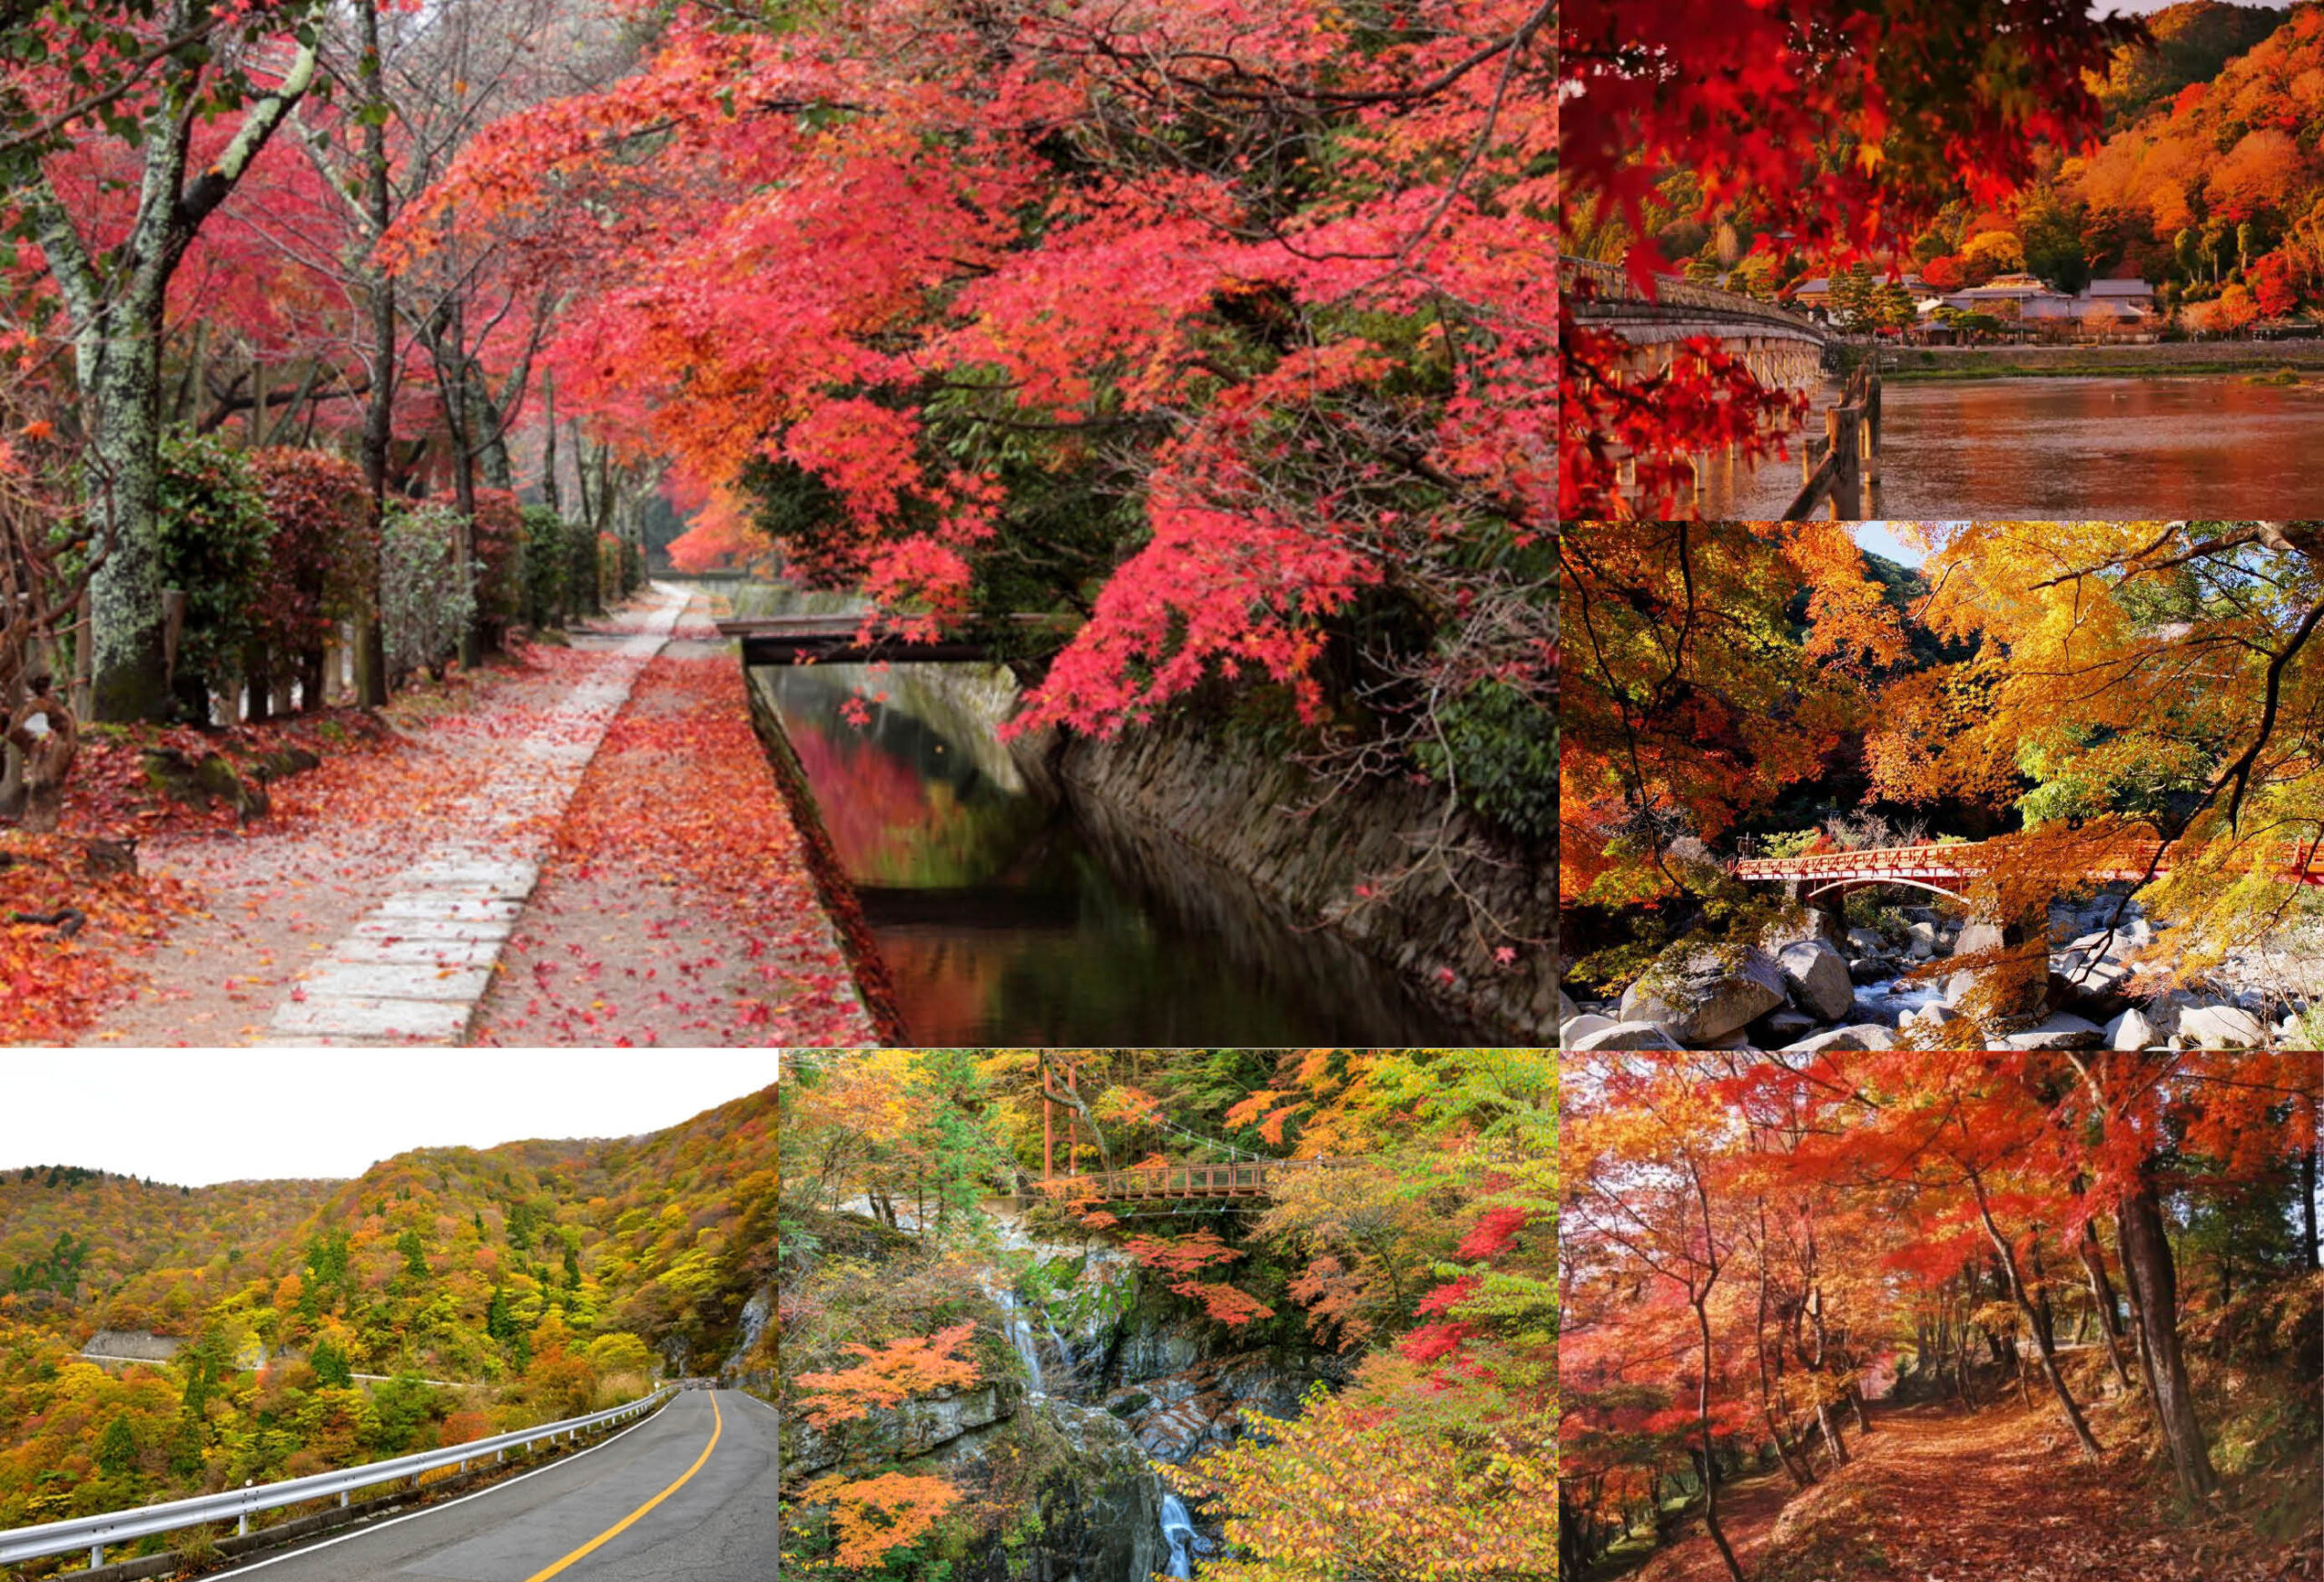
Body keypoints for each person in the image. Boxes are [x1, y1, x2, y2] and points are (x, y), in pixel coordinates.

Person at [9, 670, 77, 833]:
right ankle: (37, 832)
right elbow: (15, 730)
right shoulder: (39, 706)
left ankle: (40, 832)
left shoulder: (52, 708)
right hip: (43, 756)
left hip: (56, 754)